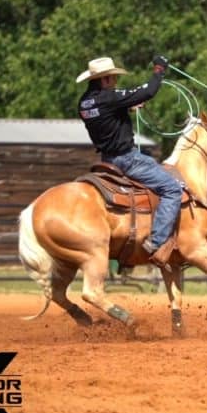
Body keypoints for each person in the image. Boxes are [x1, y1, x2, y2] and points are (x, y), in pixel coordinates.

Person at [76, 56, 184, 260]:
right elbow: (148, 91)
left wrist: (127, 106)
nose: (115, 82)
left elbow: (105, 114)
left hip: (106, 161)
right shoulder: (110, 98)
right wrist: (159, 70)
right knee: (172, 189)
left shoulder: (83, 103)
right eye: (113, 78)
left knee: (150, 159)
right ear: (105, 79)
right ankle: (156, 241)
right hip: (126, 159)